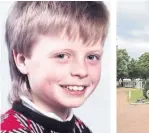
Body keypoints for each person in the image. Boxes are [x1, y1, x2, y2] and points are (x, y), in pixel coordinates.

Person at [1, 1, 109, 133]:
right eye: (62, 56)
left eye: (91, 57)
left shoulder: (80, 128)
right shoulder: (11, 129)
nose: (81, 71)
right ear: (23, 61)